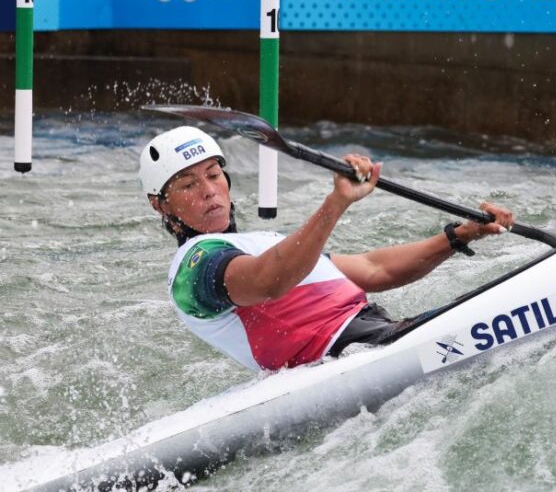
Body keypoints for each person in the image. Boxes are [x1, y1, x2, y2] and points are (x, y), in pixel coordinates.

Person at [139, 126, 514, 372]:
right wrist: (337, 201)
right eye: (187, 185)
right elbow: (268, 281)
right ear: (161, 204)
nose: (207, 190)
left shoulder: (262, 244)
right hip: (344, 358)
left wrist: (460, 234)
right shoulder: (194, 267)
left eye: (213, 175)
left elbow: (374, 269)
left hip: (379, 335)